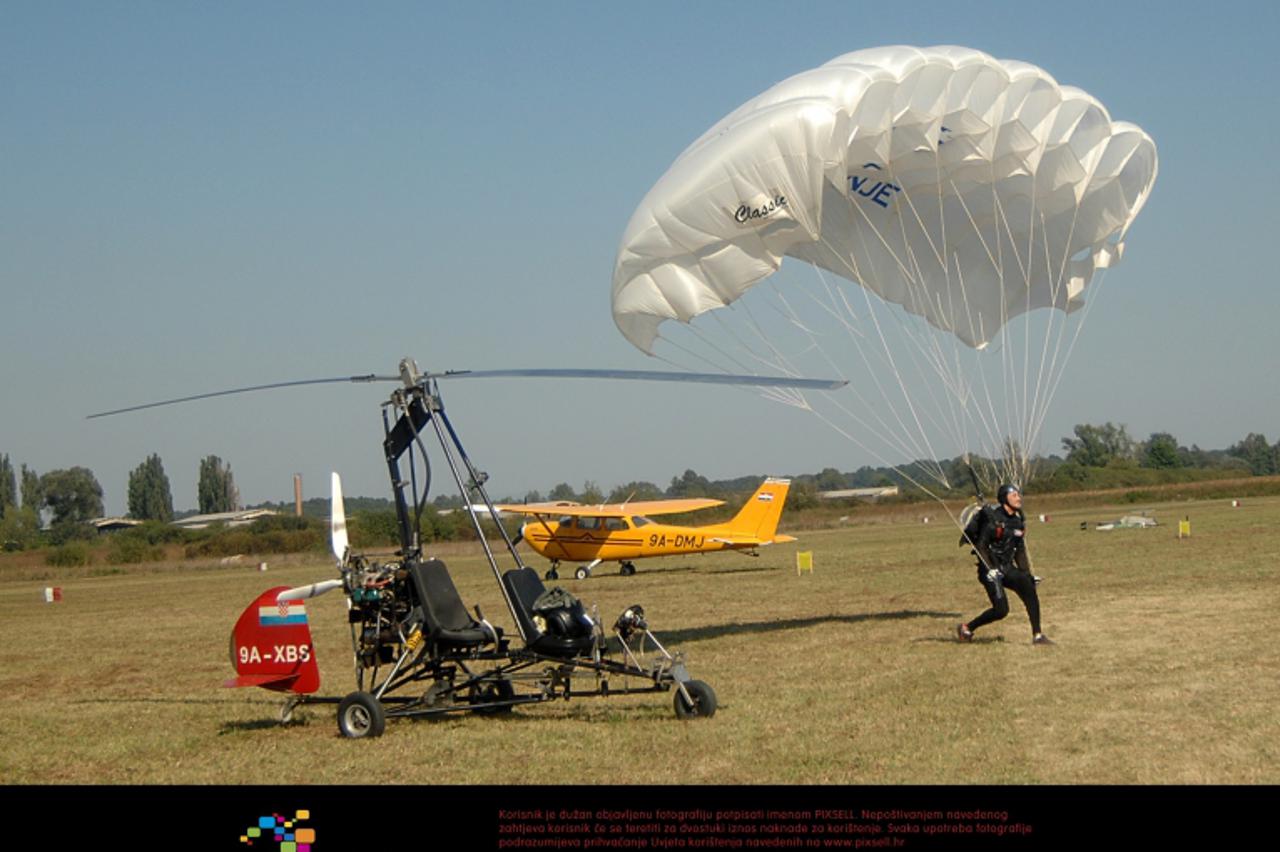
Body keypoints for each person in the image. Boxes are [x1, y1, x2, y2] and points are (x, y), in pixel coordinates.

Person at [956, 484, 1054, 645]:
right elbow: (981, 546)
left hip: (1006, 567)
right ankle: (967, 627)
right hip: (989, 569)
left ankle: (1038, 635)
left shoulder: (1018, 520)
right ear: (1004, 498)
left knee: (1028, 587)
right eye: (1014, 494)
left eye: (1018, 494)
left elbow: (1019, 550)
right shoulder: (993, 519)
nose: (1018, 497)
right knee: (1001, 610)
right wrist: (990, 569)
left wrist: (1027, 574)